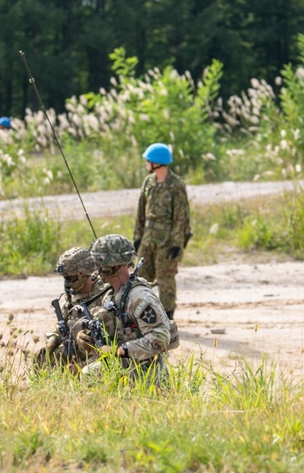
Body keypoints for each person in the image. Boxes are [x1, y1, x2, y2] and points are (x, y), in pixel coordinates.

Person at [80, 234, 171, 384]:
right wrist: (87, 338)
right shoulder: (111, 294)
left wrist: (120, 350)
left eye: (100, 264)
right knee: (88, 374)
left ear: (114, 266)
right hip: (123, 365)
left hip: (146, 371)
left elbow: (160, 337)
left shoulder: (139, 297)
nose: (96, 269)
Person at [133, 142, 191, 319]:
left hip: (167, 239)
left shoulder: (176, 185)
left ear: (157, 163)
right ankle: (142, 313)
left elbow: (181, 217)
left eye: (148, 161)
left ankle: (167, 315)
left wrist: (177, 243)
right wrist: (137, 237)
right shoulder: (148, 182)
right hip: (148, 237)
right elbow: (141, 211)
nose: (146, 164)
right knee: (140, 276)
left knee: (165, 277)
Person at [35, 247, 115, 372]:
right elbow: (61, 329)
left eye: (70, 279)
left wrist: (81, 366)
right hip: (74, 352)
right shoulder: (70, 298)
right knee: (40, 358)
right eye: (64, 278)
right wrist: (52, 342)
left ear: (83, 275)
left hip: (100, 355)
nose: (67, 284)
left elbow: (108, 343)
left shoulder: (105, 295)